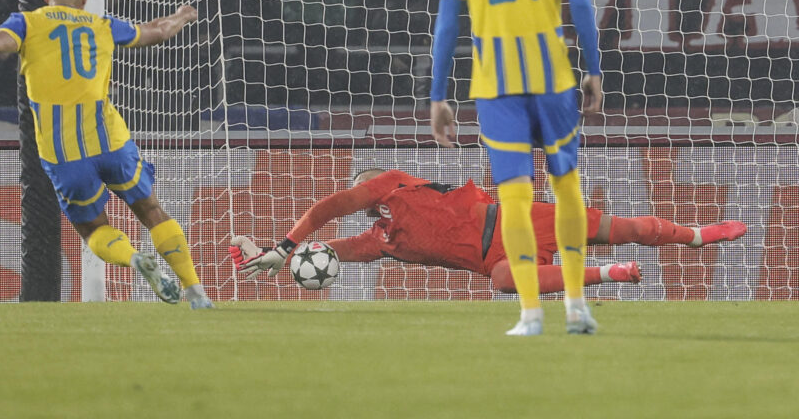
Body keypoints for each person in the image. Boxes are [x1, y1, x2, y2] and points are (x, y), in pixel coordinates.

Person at [427, 0, 602, 336]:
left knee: (516, 197)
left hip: (496, 86)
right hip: (552, 77)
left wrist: (439, 95)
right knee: (566, 187)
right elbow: (581, 4)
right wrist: (594, 69)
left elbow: (446, 27)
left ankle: (529, 313)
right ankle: (575, 304)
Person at [0, 0, 213, 309]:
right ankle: (195, 291)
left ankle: (132, 259)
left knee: (93, 228)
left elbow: (3, 42)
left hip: (64, 152)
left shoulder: (27, 22)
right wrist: (183, 16)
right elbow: (157, 31)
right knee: (151, 210)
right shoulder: (102, 25)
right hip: (110, 140)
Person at [229, 168, 747, 295]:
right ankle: (609, 274)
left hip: (517, 218)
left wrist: (286, 243)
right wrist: (279, 257)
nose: (364, 208)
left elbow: (326, 209)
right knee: (503, 282)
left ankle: (699, 236)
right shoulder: (383, 241)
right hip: (499, 257)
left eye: (364, 199)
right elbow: (329, 249)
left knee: (623, 226)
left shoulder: (396, 185)